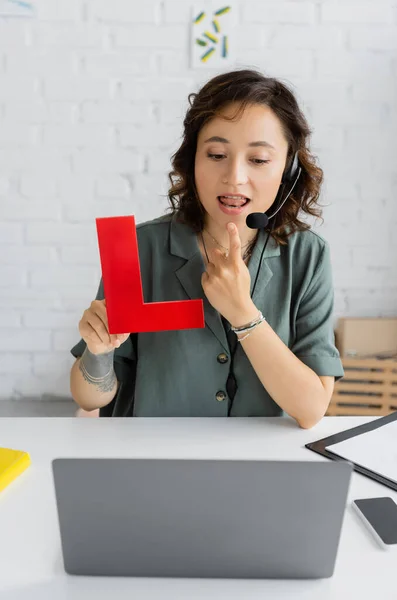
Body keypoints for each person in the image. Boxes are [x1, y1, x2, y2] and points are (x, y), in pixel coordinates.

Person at [70, 68, 344, 428]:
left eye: (259, 160)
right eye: (216, 154)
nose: (234, 177)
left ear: (288, 169)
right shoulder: (137, 248)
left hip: (261, 469)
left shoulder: (308, 256)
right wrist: (98, 351)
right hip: (153, 465)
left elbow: (311, 409)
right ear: (193, 159)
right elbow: (90, 396)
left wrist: (244, 315)